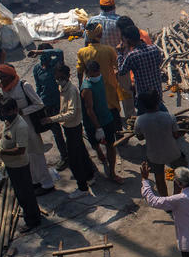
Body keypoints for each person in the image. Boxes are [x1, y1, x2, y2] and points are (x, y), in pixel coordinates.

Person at [0, 64, 56, 193]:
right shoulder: (4, 89)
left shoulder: (23, 86)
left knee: (36, 154)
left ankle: (47, 183)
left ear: (11, 75)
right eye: (0, 77)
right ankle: (35, 181)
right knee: (26, 155)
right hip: (16, 125)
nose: (2, 80)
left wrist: (23, 111)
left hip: (29, 124)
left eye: (4, 76)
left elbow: (39, 104)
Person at [0, 99, 43, 231]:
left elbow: (20, 150)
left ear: (14, 110)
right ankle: (31, 214)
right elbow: (6, 136)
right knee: (20, 192)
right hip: (11, 165)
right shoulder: (9, 122)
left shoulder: (20, 126)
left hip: (19, 166)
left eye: (5, 111)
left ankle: (32, 220)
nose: (4, 114)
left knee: (25, 193)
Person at [45, 63, 96, 195]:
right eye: (57, 77)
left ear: (67, 76)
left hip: (73, 126)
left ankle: (82, 187)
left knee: (74, 160)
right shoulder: (62, 88)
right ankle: (90, 176)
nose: (58, 80)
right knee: (82, 153)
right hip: (69, 127)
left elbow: (71, 113)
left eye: (60, 77)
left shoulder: (71, 90)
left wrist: (52, 119)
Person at [80, 59, 122, 182]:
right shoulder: (86, 89)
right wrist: (98, 128)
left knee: (110, 145)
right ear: (88, 73)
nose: (97, 75)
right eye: (94, 74)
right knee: (95, 144)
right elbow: (90, 110)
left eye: (98, 73)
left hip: (106, 118)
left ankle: (112, 173)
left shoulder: (100, 78)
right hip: (93, 123)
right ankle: (99, 153)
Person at [133, 92, 182, 195]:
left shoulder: (139, 120)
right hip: (172, 151)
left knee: (159, 178)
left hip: (154, 154)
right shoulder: (169, 117)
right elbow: (176, 135)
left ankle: (165, 202)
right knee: (178, 175)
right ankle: (176, 198)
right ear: (158, 102)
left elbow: (140, 137)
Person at [30, 45, 68, 167]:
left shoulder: (56, 65)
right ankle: (65, 156)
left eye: (45, 54)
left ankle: (74, 153)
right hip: (47, 105)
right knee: (57, 133)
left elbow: (59, 51)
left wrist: (39, 51)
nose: (44, 58)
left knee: (68, 128)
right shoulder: (37, 69)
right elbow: (38, 87)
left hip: (60, 102)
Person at [76, 20, 121, 116]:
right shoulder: (109, 50)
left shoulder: (82, 52)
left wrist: (80, 87)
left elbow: (79, 72)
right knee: (113, 114)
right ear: (100, 35)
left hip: (92, 88)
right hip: (109, 87)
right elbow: (119, 66)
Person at [118, 22, 164, 101]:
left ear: (129, 40)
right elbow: (160, 62)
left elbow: (121, 71)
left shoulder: (132, 56)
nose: (123, 43)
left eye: (124, 40)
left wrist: (120, 54)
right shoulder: (154, 48)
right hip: (157, 91)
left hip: (144, 97)